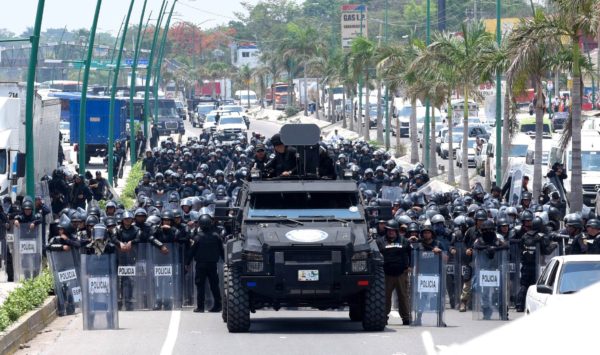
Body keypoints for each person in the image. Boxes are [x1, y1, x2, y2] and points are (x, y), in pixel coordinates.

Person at [376, 219, 411, 325]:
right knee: (385, 297)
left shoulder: (404, 241)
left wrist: (409, 266)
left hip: (401, 274)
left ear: (396, 231)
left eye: (393, 230)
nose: (391, 232)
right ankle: (383, 317)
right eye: (389, 230)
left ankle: (406, 318)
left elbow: (410, 254)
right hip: (386, 274)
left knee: (403, 296)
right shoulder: (380, 241)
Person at [186, 213, 224, 313]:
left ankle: (200, 307)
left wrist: (187, 263)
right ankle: (218, 305)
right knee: (214, 285)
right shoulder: (216, 236)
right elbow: (222, 250)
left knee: (200, 285)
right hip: (212, 265)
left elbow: (191, 252)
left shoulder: (197, 237)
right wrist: (225, 261)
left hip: (201, 265)